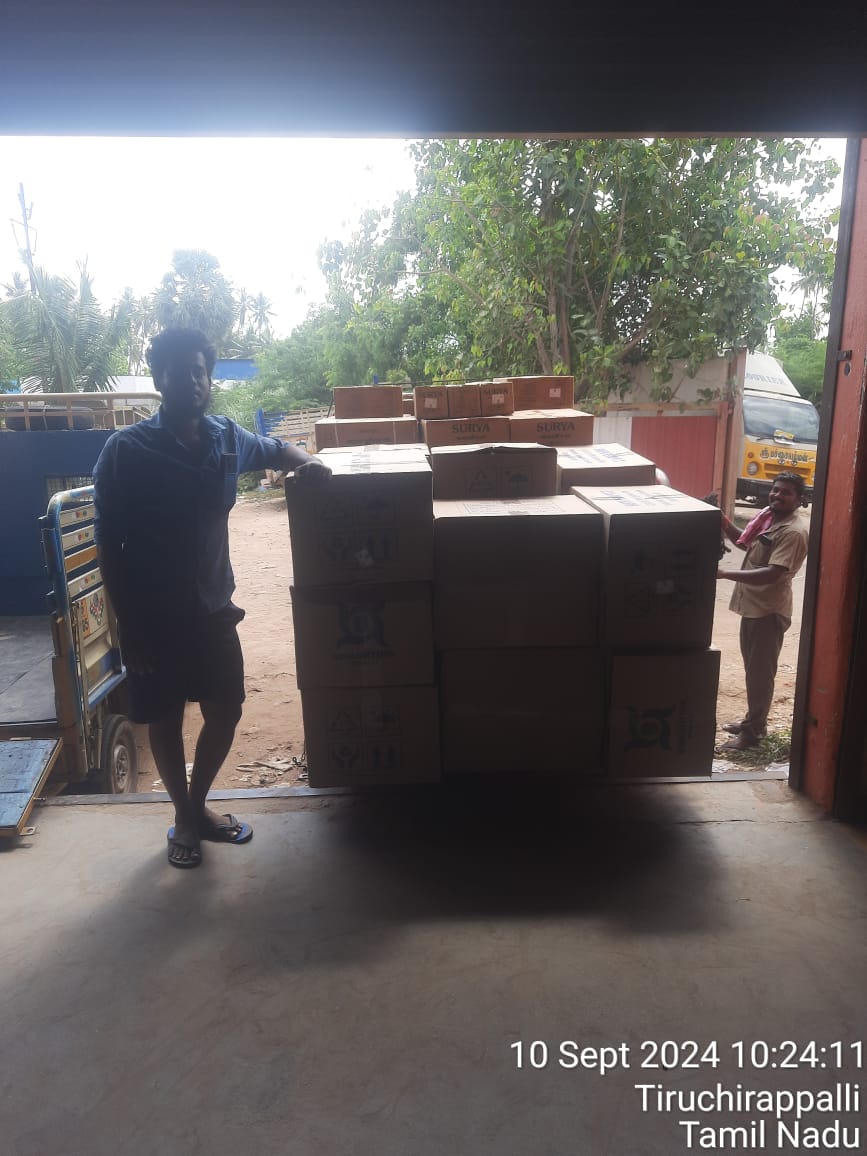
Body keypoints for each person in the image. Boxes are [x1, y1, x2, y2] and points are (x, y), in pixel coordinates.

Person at [93, 327, 331, 868]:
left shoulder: (226, 438)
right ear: (160, 381)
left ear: (209, 378)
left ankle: (195, 804)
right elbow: (108, 545)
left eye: (199, 372)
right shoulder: (125, 451)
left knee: (226, 709)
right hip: (152, 616)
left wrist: (309, 463)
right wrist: (128, 624)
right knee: (165, 718)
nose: (192, 382)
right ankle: (185, 816)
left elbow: (277, 448)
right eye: (179, 373)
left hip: (213, 609)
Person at [715, 472, 809, 752]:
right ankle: (753, 721)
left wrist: (724, 573)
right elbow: (744, 542)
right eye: (776, 489)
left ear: (799, 499)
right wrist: (723, 521)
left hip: (768, 612)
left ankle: (753, 734)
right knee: (753, 671)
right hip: (754, 608)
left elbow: (772, 574)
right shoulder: (768, 519)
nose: (778, 495)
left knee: (759, 675)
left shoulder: (793, 532)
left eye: (786, 492)